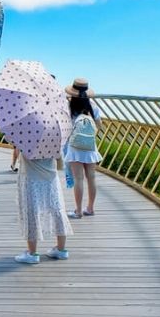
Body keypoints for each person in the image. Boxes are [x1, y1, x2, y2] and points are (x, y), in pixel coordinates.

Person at [15, 148, 71, 263]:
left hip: (31, 178)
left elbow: (12, 140)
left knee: (32, 211)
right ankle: (61, 249)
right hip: (51, 178)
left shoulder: (25, 137)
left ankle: (32, 253)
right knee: (57, 209)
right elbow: (60, 161)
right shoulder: (54, 135)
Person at [65, 77, 102, 217]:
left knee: (78, 178)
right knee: (91, 177)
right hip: (90, 145)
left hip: (74, 146)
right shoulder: (92, 106)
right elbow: (99, 125)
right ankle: (90, 208)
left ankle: (78, 210)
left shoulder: (69, 106)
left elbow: (65, 127)